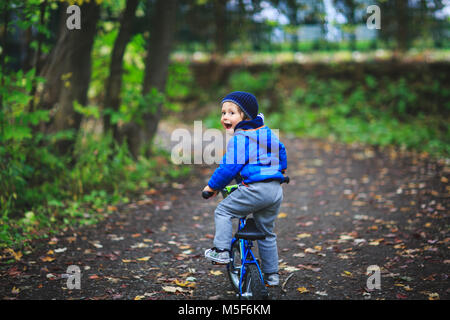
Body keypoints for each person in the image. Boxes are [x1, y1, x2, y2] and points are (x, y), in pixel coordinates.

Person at [202, 91, 287, 286]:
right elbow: (280, 149)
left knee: (222, 211)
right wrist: (280, 169)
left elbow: (228, 168)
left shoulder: (240, 139)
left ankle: (221, 251)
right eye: (223, 112)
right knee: (266, 232)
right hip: (275, 190)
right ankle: (272, 275)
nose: (225, 117)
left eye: (231, 113)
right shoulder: (265, 132)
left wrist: (212, 187)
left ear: (245, 117)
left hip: (255, 190)